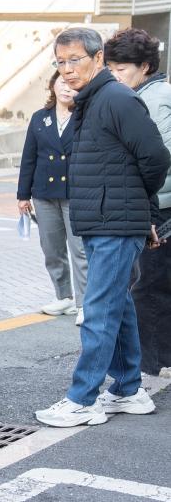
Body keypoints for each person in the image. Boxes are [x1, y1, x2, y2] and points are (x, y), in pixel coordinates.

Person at [35, 27, 170, 428]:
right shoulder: (92, 101)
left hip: (116, 221)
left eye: (74, 60)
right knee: (118, 304)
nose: (67, 70)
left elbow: (157, 159)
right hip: (101, 220)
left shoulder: (116, 98)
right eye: (60, 62)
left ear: (98, 59)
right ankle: (128, 389)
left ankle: (83, 399)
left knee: (98, 309)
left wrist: (136, 204)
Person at [104, 27, 171, 373]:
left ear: (144, 67)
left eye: (122, 70)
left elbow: (156, 156)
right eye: (111, 69)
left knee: (145, 288)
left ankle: (148, 366)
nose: (115, 77)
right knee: (155, 285)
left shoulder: (152, 99)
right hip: (157, 203)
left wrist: (146, 208)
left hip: (157, 207)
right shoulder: (152, 93)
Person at [17, 71, 88, 323]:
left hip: (75, 194)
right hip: (44, 194)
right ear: (53, 85)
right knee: (51, 248)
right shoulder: (40, 118)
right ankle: (64, 296)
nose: (67, 88)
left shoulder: (84, 117)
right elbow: (29, 158)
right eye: (62, 82)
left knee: (79, 250)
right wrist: (23, 195)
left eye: (72, 84)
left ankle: (84, 303)